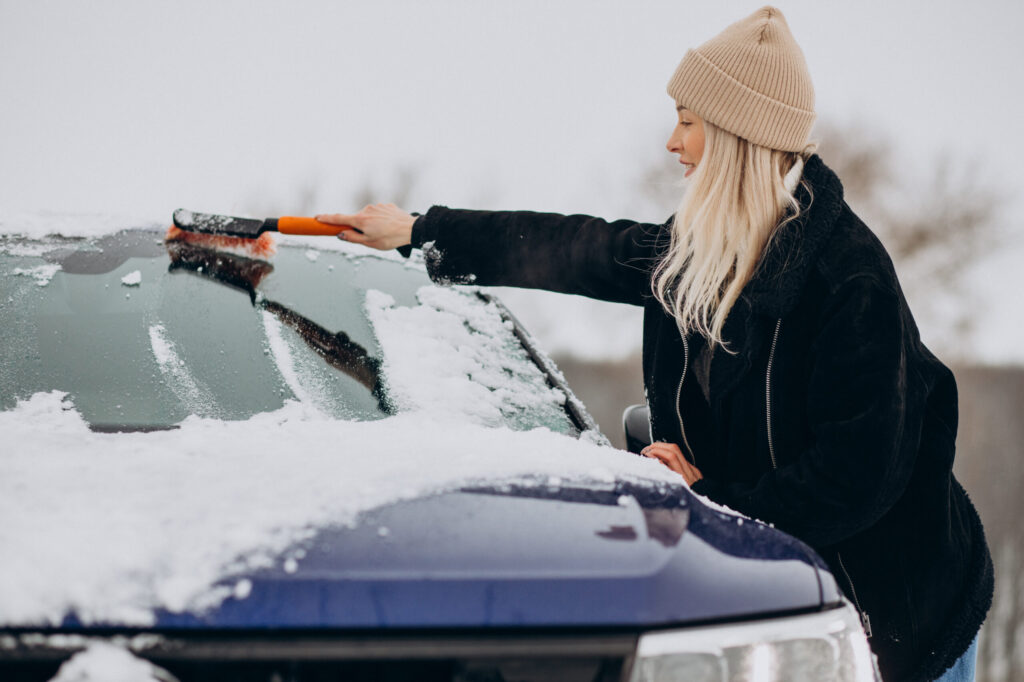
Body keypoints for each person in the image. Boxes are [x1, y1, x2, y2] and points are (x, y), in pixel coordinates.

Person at [315, 7, 992, 681]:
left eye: (689, 122)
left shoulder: (849, 281)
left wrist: (708, 499)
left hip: (903, 614)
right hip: (785, 604)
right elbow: (577, 249)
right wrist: (419, 230)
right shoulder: (702, 250)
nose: (673, 143)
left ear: (735, 136)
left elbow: (855, 480)